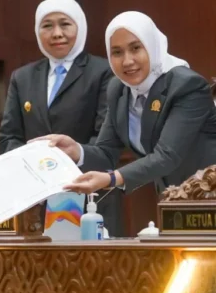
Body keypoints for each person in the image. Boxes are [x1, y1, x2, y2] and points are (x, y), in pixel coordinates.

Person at [32, 11, 216, 197]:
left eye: (135, 48)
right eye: (117, 52)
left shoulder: (186, 85)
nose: (127, 61)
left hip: (209, 194)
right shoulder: (119, 89)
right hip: (173, 199)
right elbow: (105, 153)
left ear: (152, 46)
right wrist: (76, 151)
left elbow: (167, 156)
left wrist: (112, 178)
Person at [0, 0, 123, 234]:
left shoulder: (104, 73)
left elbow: (108, 143)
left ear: (80, 27)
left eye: (65, 24)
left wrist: (75, 154)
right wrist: (34, 162)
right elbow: (8, 138)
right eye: (47, 25)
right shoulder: (22, 77)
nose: (57, 33)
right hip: (35, 201)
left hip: (89, 199)